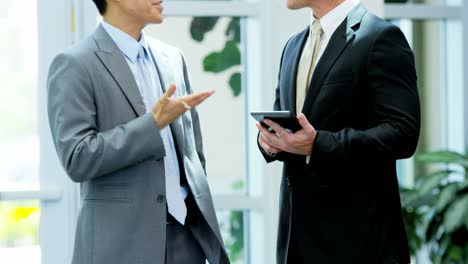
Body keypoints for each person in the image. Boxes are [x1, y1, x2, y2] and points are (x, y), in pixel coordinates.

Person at [47, 0, 230, 263]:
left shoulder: (173, 59)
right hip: (121, 247)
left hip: (188, 241)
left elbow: (193, 155)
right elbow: (77, 158)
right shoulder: (74, 64)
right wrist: (151, 125)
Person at [256, 0, 420, 263]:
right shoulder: (293, 46)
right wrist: (270, 142)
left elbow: (403, 133)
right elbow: (288, 125)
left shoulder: (380, 37)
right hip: (296, 243)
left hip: (357, 244)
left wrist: (317, 144)